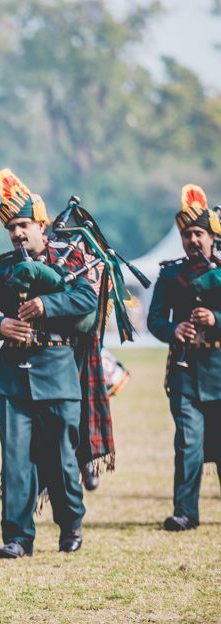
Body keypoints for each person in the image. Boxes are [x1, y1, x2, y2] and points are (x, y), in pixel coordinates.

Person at [0, 168, 96, 558]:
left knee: (61, 457)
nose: (17, 233)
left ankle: (70, 523)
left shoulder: (71, 259)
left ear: (41, 225)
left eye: (23, 224)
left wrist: (46, 303)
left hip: (57, 370)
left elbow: (86, 302)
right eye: (11, 227)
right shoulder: (3, 267)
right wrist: (0, 324)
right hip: (13, 375)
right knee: (15, 462)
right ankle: (18, 538)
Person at [146, 184, 221, 532]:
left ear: (211, 236)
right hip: (185, 371)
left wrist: (216, 321)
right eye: (188, 234)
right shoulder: (170, 273)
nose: (193, 240)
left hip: (219, 370)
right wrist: (173, 329)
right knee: (187, 444)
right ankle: (185, 512)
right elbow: (155, 319)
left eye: (199, 233)